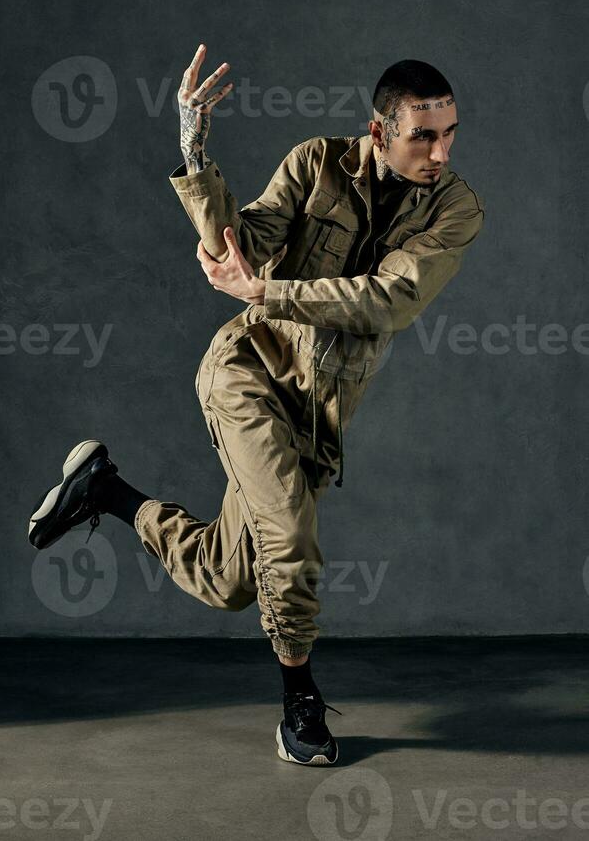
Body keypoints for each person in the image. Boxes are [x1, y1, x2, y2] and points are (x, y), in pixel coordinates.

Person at [27, 47, 486, 766]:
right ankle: (299, 702)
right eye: (423, 135)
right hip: (246, 373)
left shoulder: (457, 208)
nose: (441, 150)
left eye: (450, 131)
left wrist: (267, 291)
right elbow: (240, 246)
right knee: (293, 542)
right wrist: (193, 149)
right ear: (378, 132)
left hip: (318, 415)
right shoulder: (315, 164)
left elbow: (390, 300)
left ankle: (105, 491)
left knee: (229, 579)